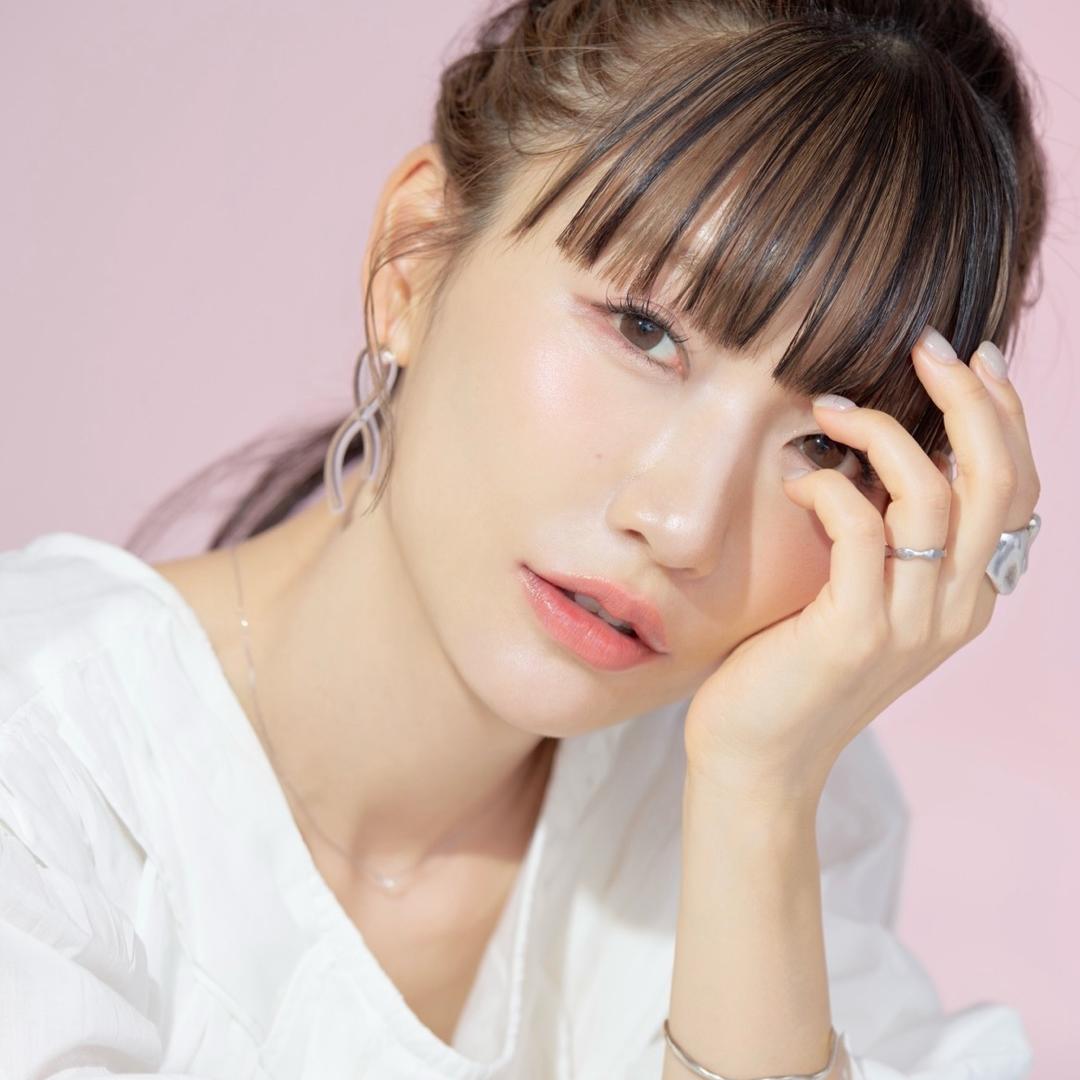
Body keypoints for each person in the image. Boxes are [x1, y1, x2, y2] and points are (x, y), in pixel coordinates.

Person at [0, 0, 1047, 1077]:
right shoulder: (39, 782)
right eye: (645, 332)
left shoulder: (755, 784)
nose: (682, 524)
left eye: (827, 446)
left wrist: (757, 799)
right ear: (412, 259)